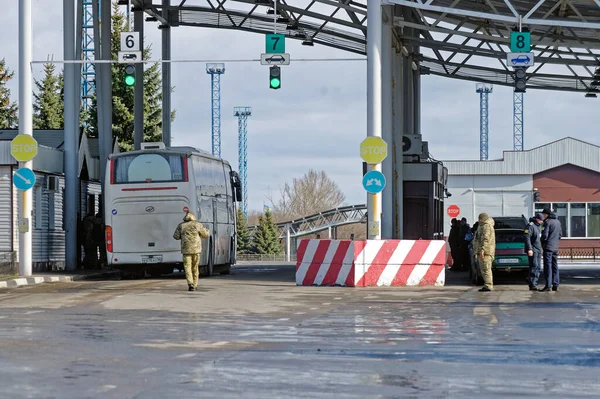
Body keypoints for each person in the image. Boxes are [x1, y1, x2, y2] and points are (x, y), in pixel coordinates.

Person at [173, 211, 210, 291]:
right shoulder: (198, 225)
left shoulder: (181, 225)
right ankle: (195, 284)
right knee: (195, 268)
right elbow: (205, 235)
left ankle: (190, 284)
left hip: (186, 251)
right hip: (196, 250)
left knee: (187, 268)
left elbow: (176, 236)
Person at [540, 207, 562, 292]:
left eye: (543, 214)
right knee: (555, 266)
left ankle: (548, 285)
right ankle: (556, 284)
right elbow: (560, 235)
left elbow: (544, 235)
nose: (543, 216)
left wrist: (541, 242)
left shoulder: (547, 222)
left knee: (548, 267)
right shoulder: (558, 222)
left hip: (548, 247)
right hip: (555, 247)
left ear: (547, 215)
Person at [473, 213, 495, 292]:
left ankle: (488, 285)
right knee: (484, 269)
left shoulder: (486, 226)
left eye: (479, 218)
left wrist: (482, 250)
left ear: (482, 219)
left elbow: (485, 239)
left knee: (486, 269)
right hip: (483, 251)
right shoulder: (482, 225)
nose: (478, 220)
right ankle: (487, 284)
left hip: (485, 252)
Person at [524, 213, 544, 291]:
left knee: (538, 267)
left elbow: (539, 238)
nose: (542, 222)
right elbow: (527, 237)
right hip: (533, 249)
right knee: (534, 266)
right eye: (540, 220)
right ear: (537, 219)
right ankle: (532, 285)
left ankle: (534, 283)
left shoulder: (539, 226)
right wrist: (529, 249)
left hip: (538, 249)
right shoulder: (530, 226)